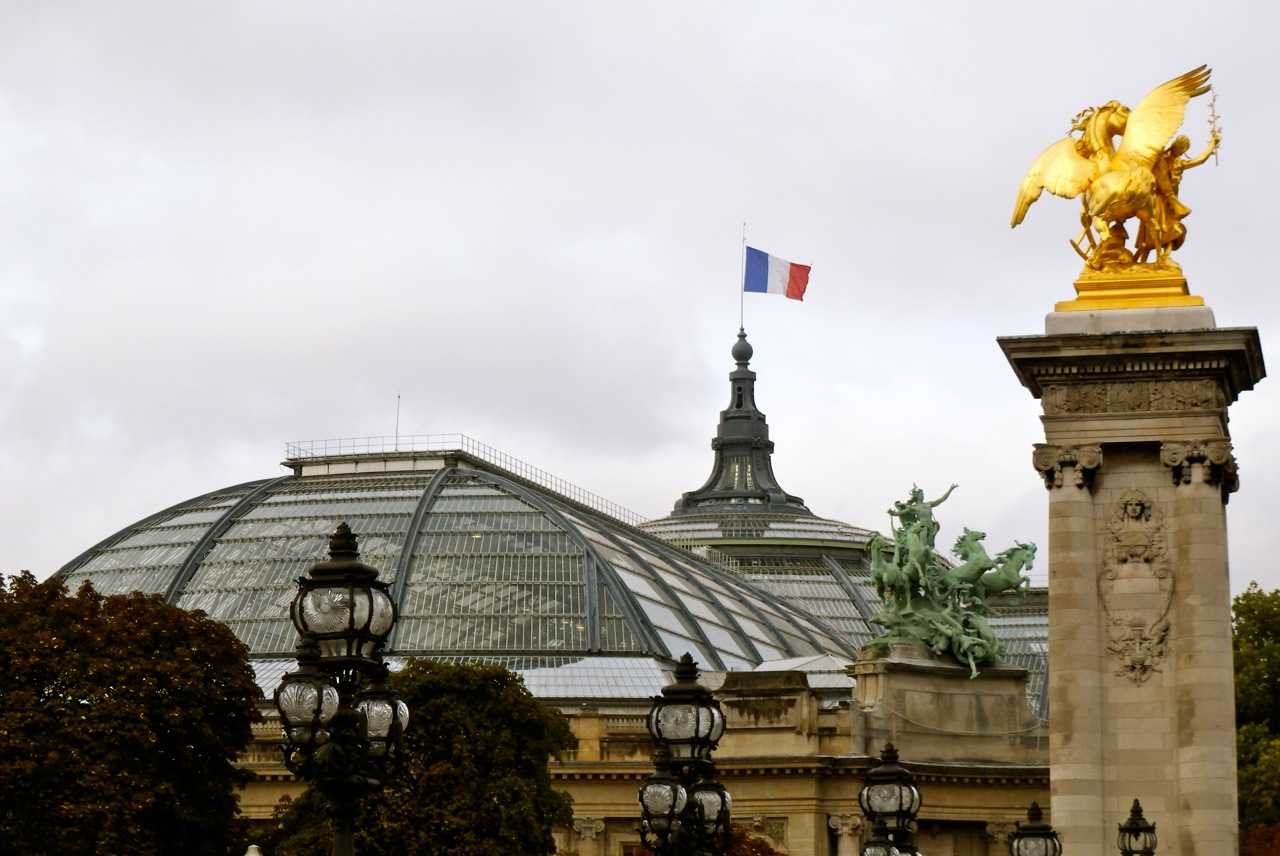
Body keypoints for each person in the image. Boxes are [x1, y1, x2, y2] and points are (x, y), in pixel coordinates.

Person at [1136, 132, 1220, 263]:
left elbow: (1199, 160)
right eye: (1181, 148)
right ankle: (1142, 261)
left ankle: (1165, 257)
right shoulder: (1160, 159)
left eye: (1184, 150)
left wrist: (1212, 145)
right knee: (1153, 230)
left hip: (1171, 203)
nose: (1181, 151)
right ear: (1176, 146)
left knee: (1174, 228)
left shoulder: (1178, 163)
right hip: (1157, 199)